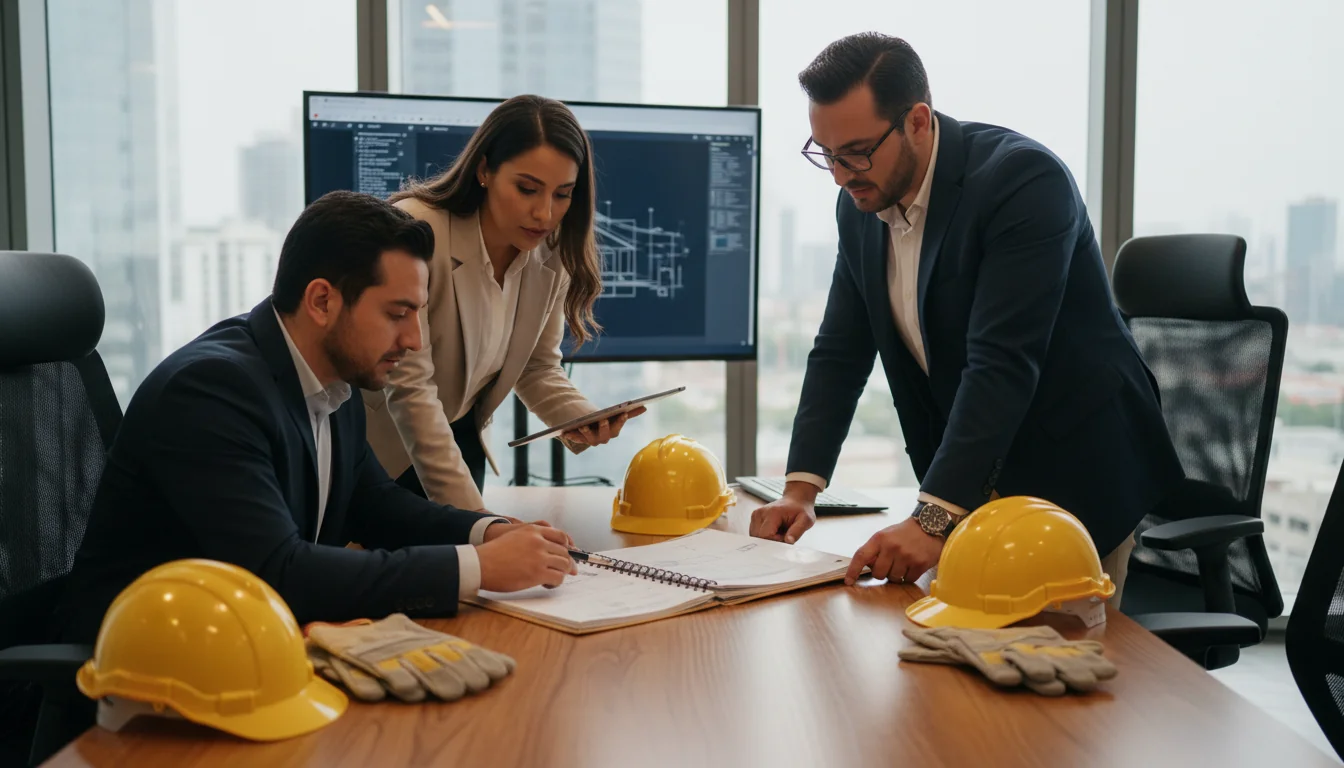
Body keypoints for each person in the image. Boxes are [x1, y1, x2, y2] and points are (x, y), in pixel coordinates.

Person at [749, 33, 1183, 606]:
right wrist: (800, 490)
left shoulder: (1023, 182)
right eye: (825, 153)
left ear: (918, 122)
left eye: (855, 151)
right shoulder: (861, 203)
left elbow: (1001, 362)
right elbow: (839, 351)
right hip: (972, 482)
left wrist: (932, 519)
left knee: (1046, 675)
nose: (839, 174)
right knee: (947, 669)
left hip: (1073, 475)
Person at [61, 190, 579, 644]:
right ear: (322, 301)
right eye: (397, 314)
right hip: (148, 681)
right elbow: (278, 573)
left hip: (249, 652)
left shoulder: (333, 376)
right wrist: (478, 569)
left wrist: (488, 532)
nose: (416, 340)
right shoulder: (211, 393)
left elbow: (375, 504)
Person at [363, 94, 641, 511]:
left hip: (459, 439)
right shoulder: (421, 230)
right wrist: (481, 525)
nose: (544, 213)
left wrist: (582, 419)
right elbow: (411, 392)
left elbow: (536, 365)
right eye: (527, 189)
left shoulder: (551, 254)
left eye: (562, 194)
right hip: (384, 450)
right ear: (484, 170)